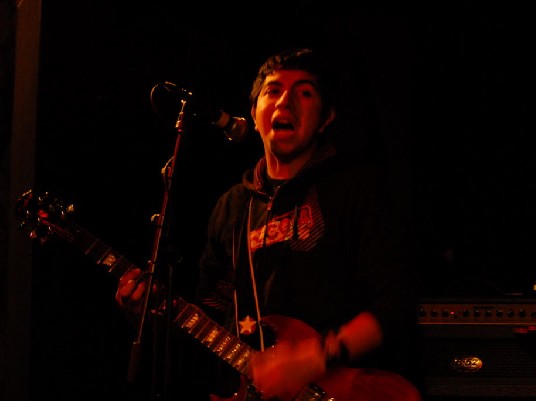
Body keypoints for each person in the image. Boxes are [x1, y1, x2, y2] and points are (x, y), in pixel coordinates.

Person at [116, 47, 422, 401]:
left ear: (326, 118)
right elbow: (212, 314)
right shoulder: (232, 207)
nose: (285, 102)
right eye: (273, 91)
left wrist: (316, 357)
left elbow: (396, 302)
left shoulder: (360, 190)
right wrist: (149, 313)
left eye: (304, 92)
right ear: (254, 113)